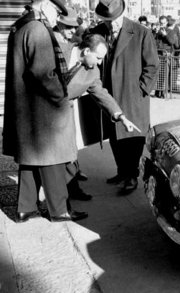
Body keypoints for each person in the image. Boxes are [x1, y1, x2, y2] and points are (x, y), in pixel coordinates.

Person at [3, 0, 89, 223]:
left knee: (31, 159)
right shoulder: (38, 29)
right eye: (55, 11)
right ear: (43, 6)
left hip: (28, 107)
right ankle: (59, 210)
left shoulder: (20, 26)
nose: (57, 16)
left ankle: (26, 207)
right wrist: (61, 96)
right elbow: (44, 74)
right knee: (53, 159)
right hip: (43, 108)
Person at [92, 0, 159, 194]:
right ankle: (122, 172)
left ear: (123, 13)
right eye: (107, 20)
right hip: (109, 95)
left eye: (114, 20)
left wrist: (141, 90)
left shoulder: (141, 32)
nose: (110, 24)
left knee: (132, 138)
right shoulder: (99, 31)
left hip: (132, 96)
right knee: (114, 137)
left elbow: (152, 66)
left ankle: (131, 177)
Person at [54, 7, 93, 201]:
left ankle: (73, 182)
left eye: (74, 28)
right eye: (68, 28)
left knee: (72, 145)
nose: (71, 32)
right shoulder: (54, 44)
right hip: (55, 105)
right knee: (64, 149)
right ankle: (66, 192)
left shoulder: (71, 44)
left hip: (69, 104)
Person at [153, 15, 177, 98]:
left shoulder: (170, 31)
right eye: (160, 23)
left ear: (166, 23)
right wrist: (155, 33)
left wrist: (165, 35)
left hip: (165, 55)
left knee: (164, 74)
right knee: (157, 74)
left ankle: (163, 92)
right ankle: (157, 91)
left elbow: (172, 42)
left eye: (163, 23)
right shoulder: (156, 31)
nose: (161, 24)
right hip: (157, 55)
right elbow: (152, 42)